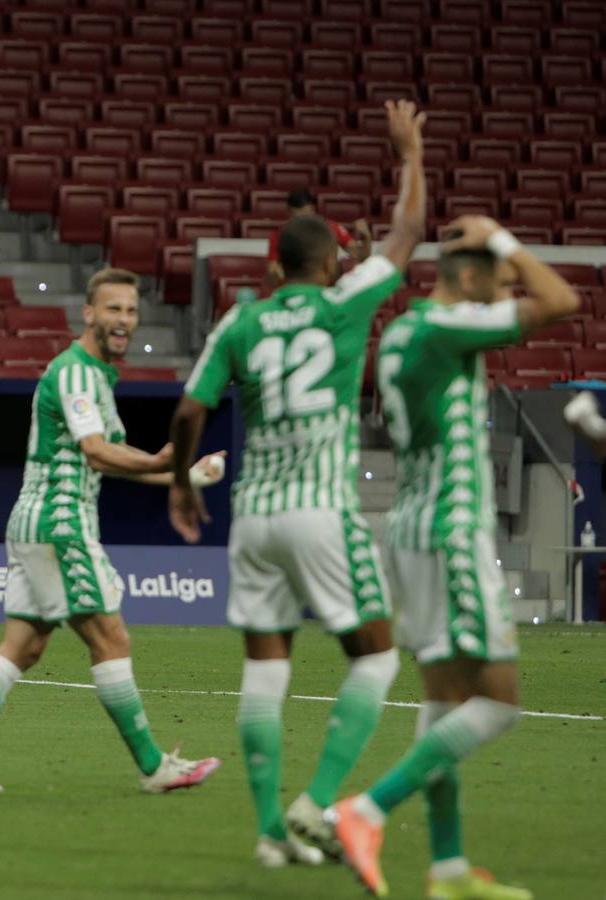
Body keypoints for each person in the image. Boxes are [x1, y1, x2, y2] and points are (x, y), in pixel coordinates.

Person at [167, 101, 428, 868]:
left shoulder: (240, 321)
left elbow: (189, 409)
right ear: (332, 264)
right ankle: (315, 803)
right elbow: (409, 236)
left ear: (274, 266)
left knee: (265, 670)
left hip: (253, 517)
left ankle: (268, 832)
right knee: (376, 656)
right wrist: (408, 153)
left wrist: (183, 483)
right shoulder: (345, 302)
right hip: (322, 510)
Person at [323, 218, 579, 900]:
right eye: (494, 282)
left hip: (411, 528)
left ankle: (448, 870)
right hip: (452, 531)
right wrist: (506, 241)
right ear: (468, 278)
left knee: (444, 705)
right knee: (498, 705)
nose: (501, 293)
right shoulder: (445, 327)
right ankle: (367, 809)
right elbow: (561, 304)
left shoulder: (403, 331)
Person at [0, 267, 226, 796]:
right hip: (59, 522)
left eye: (132, 311)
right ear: (89, 313)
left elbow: (103, 460)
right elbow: (96, 451)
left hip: (36, 522)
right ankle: (154, 766)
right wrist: (169, 465)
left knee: (23, 646)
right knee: (111, 638)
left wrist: (180, 474)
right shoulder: (75, 372)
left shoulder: (95, 377)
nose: (124, 320)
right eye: (113, 309)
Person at [263, 189, 373, 294]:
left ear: (312, 209)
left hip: (327, 293)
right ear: (289, 212)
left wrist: (366, 238)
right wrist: (276, 274)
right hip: (295, 294)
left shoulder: (332, 228)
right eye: (297, 217)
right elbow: (272, 274)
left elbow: (362, 255)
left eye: (305, 216)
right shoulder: (279, 235)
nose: (302, 222)